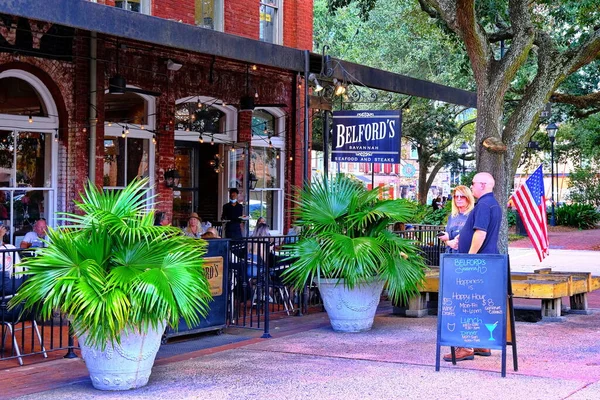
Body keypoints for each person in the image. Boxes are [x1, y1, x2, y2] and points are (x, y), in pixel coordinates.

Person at [443, 172, 502, 363]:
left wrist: (469, 257)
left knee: (465, 303)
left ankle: (465, 346)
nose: (472, 186)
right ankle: (481, 342)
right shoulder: (493, 204)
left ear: (483, 185)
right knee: (480, 303)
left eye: (474, 183)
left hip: (476, 264)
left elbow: (480, 233)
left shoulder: (484, 205)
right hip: (487, 262)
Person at [438, 185, 475, 253]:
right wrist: (448, 242)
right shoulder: (452, 216)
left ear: (468, 198)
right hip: (450, 255)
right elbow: (447, 238)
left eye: (462, 196)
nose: (458, 199)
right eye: (456, 196)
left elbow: (475, 237)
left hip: (465, 256)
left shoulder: (473, 215)